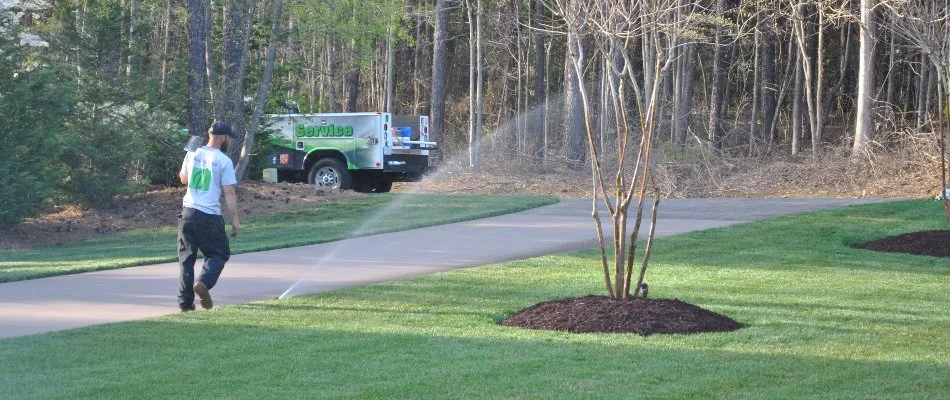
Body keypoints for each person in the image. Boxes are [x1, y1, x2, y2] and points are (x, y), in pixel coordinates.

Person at [176, 121, 240, 311]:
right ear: (221, 138)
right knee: (219, 253)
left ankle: (185, 303)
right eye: (227, 138)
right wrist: (235, 221)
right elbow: (229, 193)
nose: (228, 141)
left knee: (186, 258)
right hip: (209, 214)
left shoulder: (192, 152)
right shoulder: (224, 161)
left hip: (188, 212)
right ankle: (203, 283)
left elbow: (184, 179)